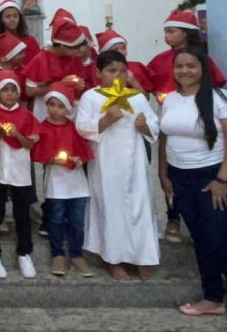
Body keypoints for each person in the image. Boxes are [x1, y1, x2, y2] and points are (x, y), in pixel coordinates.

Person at [76, 50, 160, 280]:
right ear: (98, 73)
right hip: (106, 163)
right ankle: (114, 258)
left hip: (135, 163)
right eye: (111, 71)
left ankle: (144, 257)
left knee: (139, 206)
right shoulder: (91, 97)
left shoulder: (137, 98)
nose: (118, 76)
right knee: (111, 208)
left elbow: (153, 126)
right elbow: (82, 127)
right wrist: (106, 120)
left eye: (122, 71)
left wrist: (143, 126)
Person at [158, 46, 227, 316]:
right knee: (200, 237)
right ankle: (213, 296)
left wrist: (222, 179)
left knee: (216, 237)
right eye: (179, 66)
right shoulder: (170, 99)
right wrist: (163, 174)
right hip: (179, 176)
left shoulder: (218, 98)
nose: (184, 71)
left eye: (191, 65)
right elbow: (164, 138)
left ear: (202, 68)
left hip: (212, 176)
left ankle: (214, 297)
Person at [30, 82, 94, 277]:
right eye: (51, 104)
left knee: (77, 221)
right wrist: (51, 159)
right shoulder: (42, 128)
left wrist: (79, 159)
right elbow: (38, 154)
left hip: (77, 183)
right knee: (56, 219)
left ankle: (76, 254)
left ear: (68, 108)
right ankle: (57, 254)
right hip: (56, 183)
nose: (55, 109)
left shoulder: (74, 129)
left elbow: (85, 152)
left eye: (60, 106)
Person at [0, 70, 40, 279]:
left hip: (20, 172)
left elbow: (30, 144)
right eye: (5, 90)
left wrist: (16, 134)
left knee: (22, 214)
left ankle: (24, 253)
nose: (9, 94)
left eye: (13, 90)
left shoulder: (26, 115)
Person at [0, 0, 40, 66]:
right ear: (0, 19)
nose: (12, 19)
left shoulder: (30, 41)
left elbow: (38, 64)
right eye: (8, 16)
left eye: (15, 16)